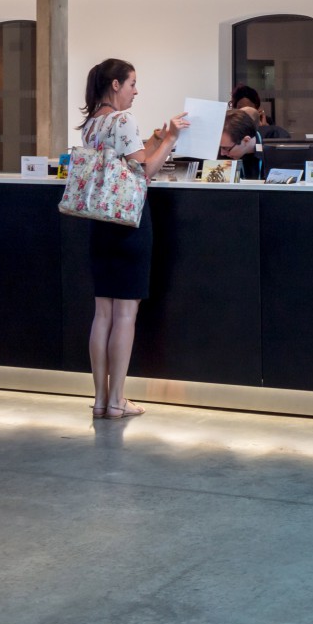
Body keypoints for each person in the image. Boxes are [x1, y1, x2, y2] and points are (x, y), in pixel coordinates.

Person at [80, 58, 187, 420]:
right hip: (129, 222)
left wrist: (152, 140)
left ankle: (98, 399)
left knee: (102, 313)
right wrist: (170, 138)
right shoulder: (124, 120)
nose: (135, 91)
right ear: (115, 84)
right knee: (126, 312)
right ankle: (117, 401)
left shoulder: (92, 124)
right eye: (131, 84)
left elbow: (123, 158)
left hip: (100, 222)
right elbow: (145, 170)